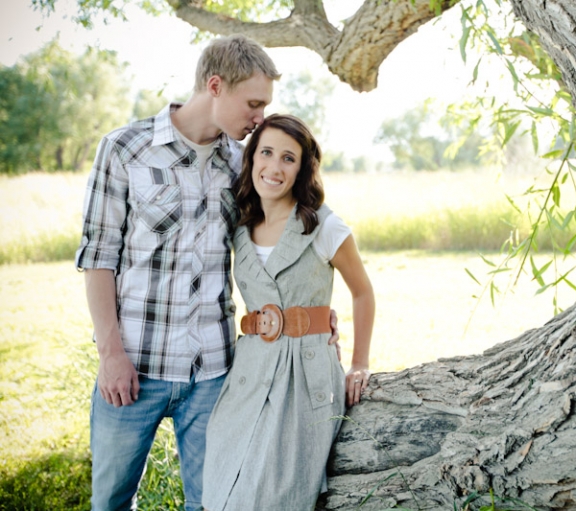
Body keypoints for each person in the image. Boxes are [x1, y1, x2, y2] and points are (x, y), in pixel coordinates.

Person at [76, 36, 338, 511]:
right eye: (254, 104)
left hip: (214, 373)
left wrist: (314, 317)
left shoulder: (243, 165)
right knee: (110, 501)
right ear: (215, 86)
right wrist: (111, 355)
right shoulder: (124, 149)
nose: (259, 118)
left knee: (213, 502)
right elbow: (98, 258)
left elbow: (284, 235)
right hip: (135, 366)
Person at [202, 114, 375, 511]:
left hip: (304, 372)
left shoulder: (324, 225)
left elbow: (363, 292)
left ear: (302, 169)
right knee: (222, 480)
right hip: (250, 369)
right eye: (266, 153)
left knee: (275, 490)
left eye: (288, 158)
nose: (274, 167)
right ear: (251, 159)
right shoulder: (240, 225)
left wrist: (360, 363)